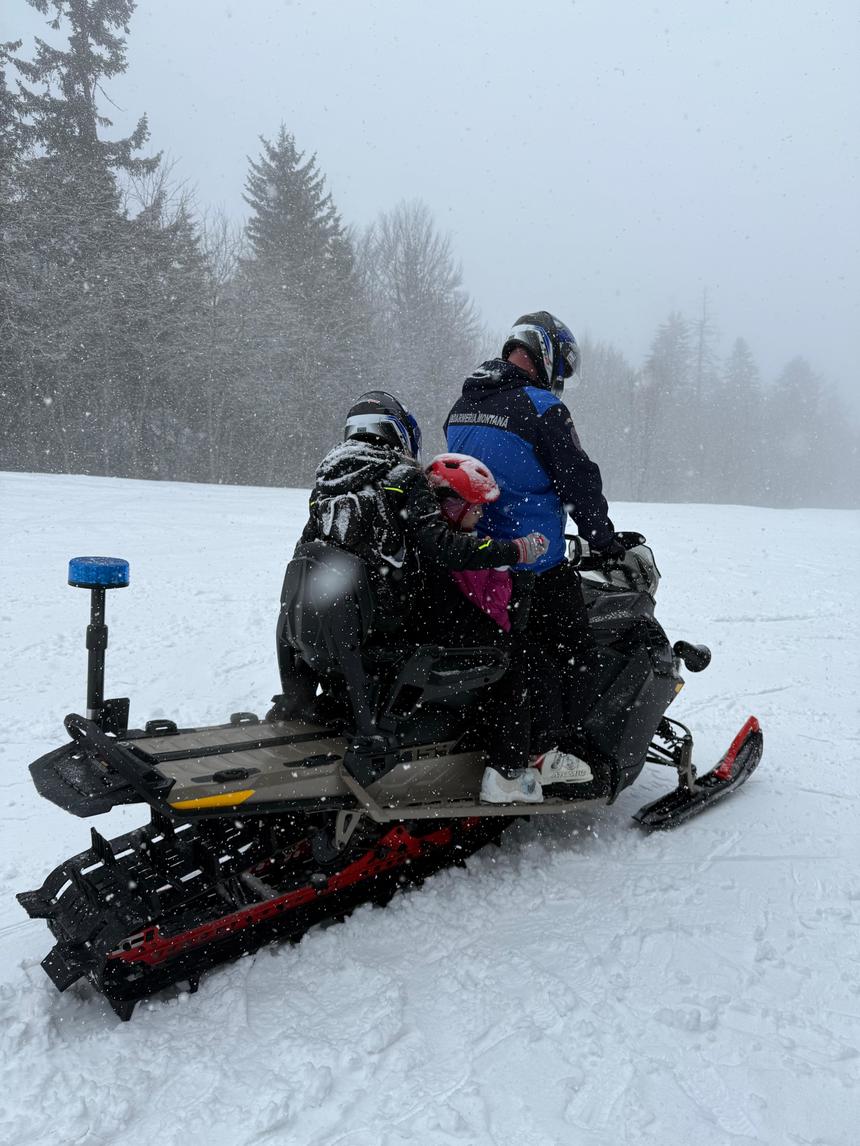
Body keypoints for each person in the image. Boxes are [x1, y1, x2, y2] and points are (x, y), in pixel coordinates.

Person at [278, 391, 548, 724]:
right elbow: (443, 547)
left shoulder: (327, 484)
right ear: (399, 432)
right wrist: (514, 550)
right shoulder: (402, 478)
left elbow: (306, 551)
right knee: (511, 651)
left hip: (333, 623)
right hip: (389, 621)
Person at [445, 312, 624, 799]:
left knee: (516, 658)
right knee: (574, 658)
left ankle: (511, 744)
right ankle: (546, 754)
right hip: (532, 562)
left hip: (477, 560)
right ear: (545, 355)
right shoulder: (541, 407)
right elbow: (579, 480)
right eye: (561, 368)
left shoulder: (464, 404)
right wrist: (604, 537)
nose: (560, 380)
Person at [416, 452, 542, 803]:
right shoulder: (465, 553)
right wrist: (510, 574)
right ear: (454, 507)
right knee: (514, 666)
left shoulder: (431, 541)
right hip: (454, 639)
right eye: (477, 506)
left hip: (430, 633)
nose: (482, 513)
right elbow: (495, 614)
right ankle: (508, 773)